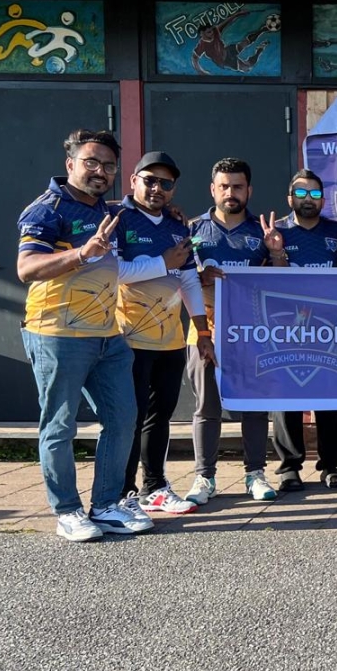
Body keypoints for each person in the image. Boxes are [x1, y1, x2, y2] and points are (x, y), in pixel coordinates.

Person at [16, 129, 151, 541]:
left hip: (109, 336)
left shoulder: (109, 210)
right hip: (57, 334)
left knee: (123, 419)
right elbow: (26, 269)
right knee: (59, 426)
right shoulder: (47, 209)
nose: (100, 171)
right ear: (70, 164)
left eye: (108, 165)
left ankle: (107, 506)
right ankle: (68, 511)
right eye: (91, 162)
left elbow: (152, 211)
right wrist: (81, 253)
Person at [113, 150, 211, 516]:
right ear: (133, 181)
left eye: (165, 184)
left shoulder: (177, 225)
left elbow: (188, 281)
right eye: (150, 180)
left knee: (160, 415)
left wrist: (202, 331)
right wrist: (161, 263)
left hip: (170, 339)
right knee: (130, 417)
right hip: (129, 337)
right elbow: (113, 271)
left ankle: (154, 487)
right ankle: (122, 492)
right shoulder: (117, 218)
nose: (157, 189)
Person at [185, 157, 287, 508]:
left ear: (249, 190)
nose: (231, 193)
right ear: (212, 189)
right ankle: (205, 476)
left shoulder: (263, 231)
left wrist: (276, 254)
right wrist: (198, 276)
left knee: (254, 406)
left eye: (238, 186)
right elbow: (175, 278)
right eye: (224, 186)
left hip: (251, 334)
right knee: (206, 407)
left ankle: (255, 473)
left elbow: (282, 284)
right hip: (204, 332)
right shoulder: (193, 229)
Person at [271, 169, 337, 491]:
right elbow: (265, 278)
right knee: (286, 398)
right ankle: (289, 467)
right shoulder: (276, 231)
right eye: (301, 193)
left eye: (315, 194)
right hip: (286, 329)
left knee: (330, 397)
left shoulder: (335, 231)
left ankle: (330, 465)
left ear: (323, 199)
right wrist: (276, 252)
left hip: (327, 327)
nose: (308, 199)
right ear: (290, 198)